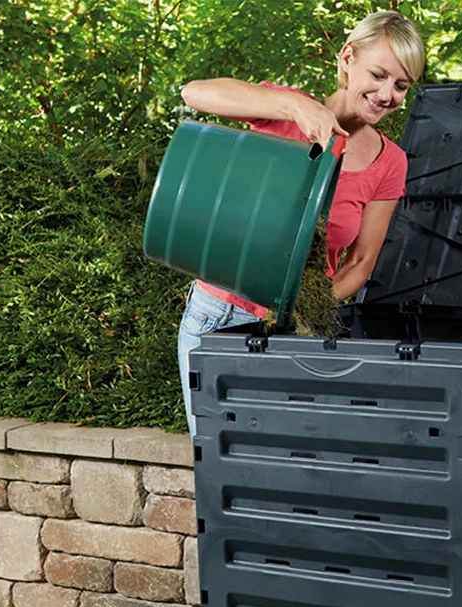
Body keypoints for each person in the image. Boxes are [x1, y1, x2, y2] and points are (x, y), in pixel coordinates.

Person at [175, 11, 425, 435]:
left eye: (400, 85)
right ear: (347, 58)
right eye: (379, 75)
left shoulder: (389, 162)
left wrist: (301, 309)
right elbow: (194, 92)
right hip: (218, 319)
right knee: (222, 467)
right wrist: (293, 104)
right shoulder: (285, 111)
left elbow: (361, 262)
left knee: (293, 469)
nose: (386, 94)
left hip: (299, 332)